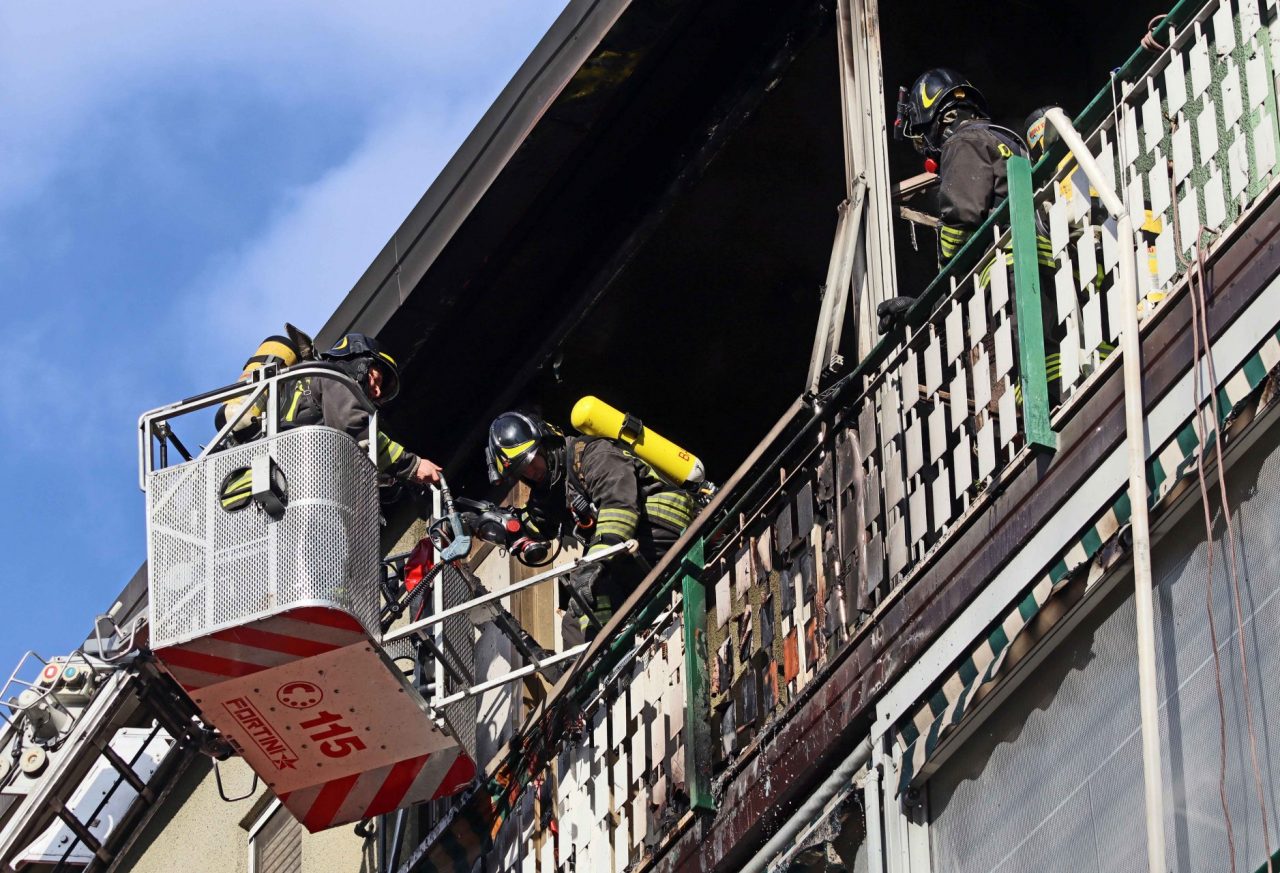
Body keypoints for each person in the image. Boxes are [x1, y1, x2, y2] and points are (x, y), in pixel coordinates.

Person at [486, 410, 697, 647]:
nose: (531, 472)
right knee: (577, 615)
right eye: (521, 471)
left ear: (548, 444)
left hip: (662, 526)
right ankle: (595, 668)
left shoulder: (593, 453)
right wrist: (481, 524)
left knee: (592, 582)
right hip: (629, 548)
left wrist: (594, 563)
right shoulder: (552, 489)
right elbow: (535, 526)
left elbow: (618, 505)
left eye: (530, 460)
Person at [220, 331, 440, 511]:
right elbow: (353, 427)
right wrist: (412, 465)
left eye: (380, 390)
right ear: (359, 360)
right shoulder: (334, 378)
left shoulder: (305, 385)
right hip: (274, 490)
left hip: (250, 497)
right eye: (377, 378)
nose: (377, 390)